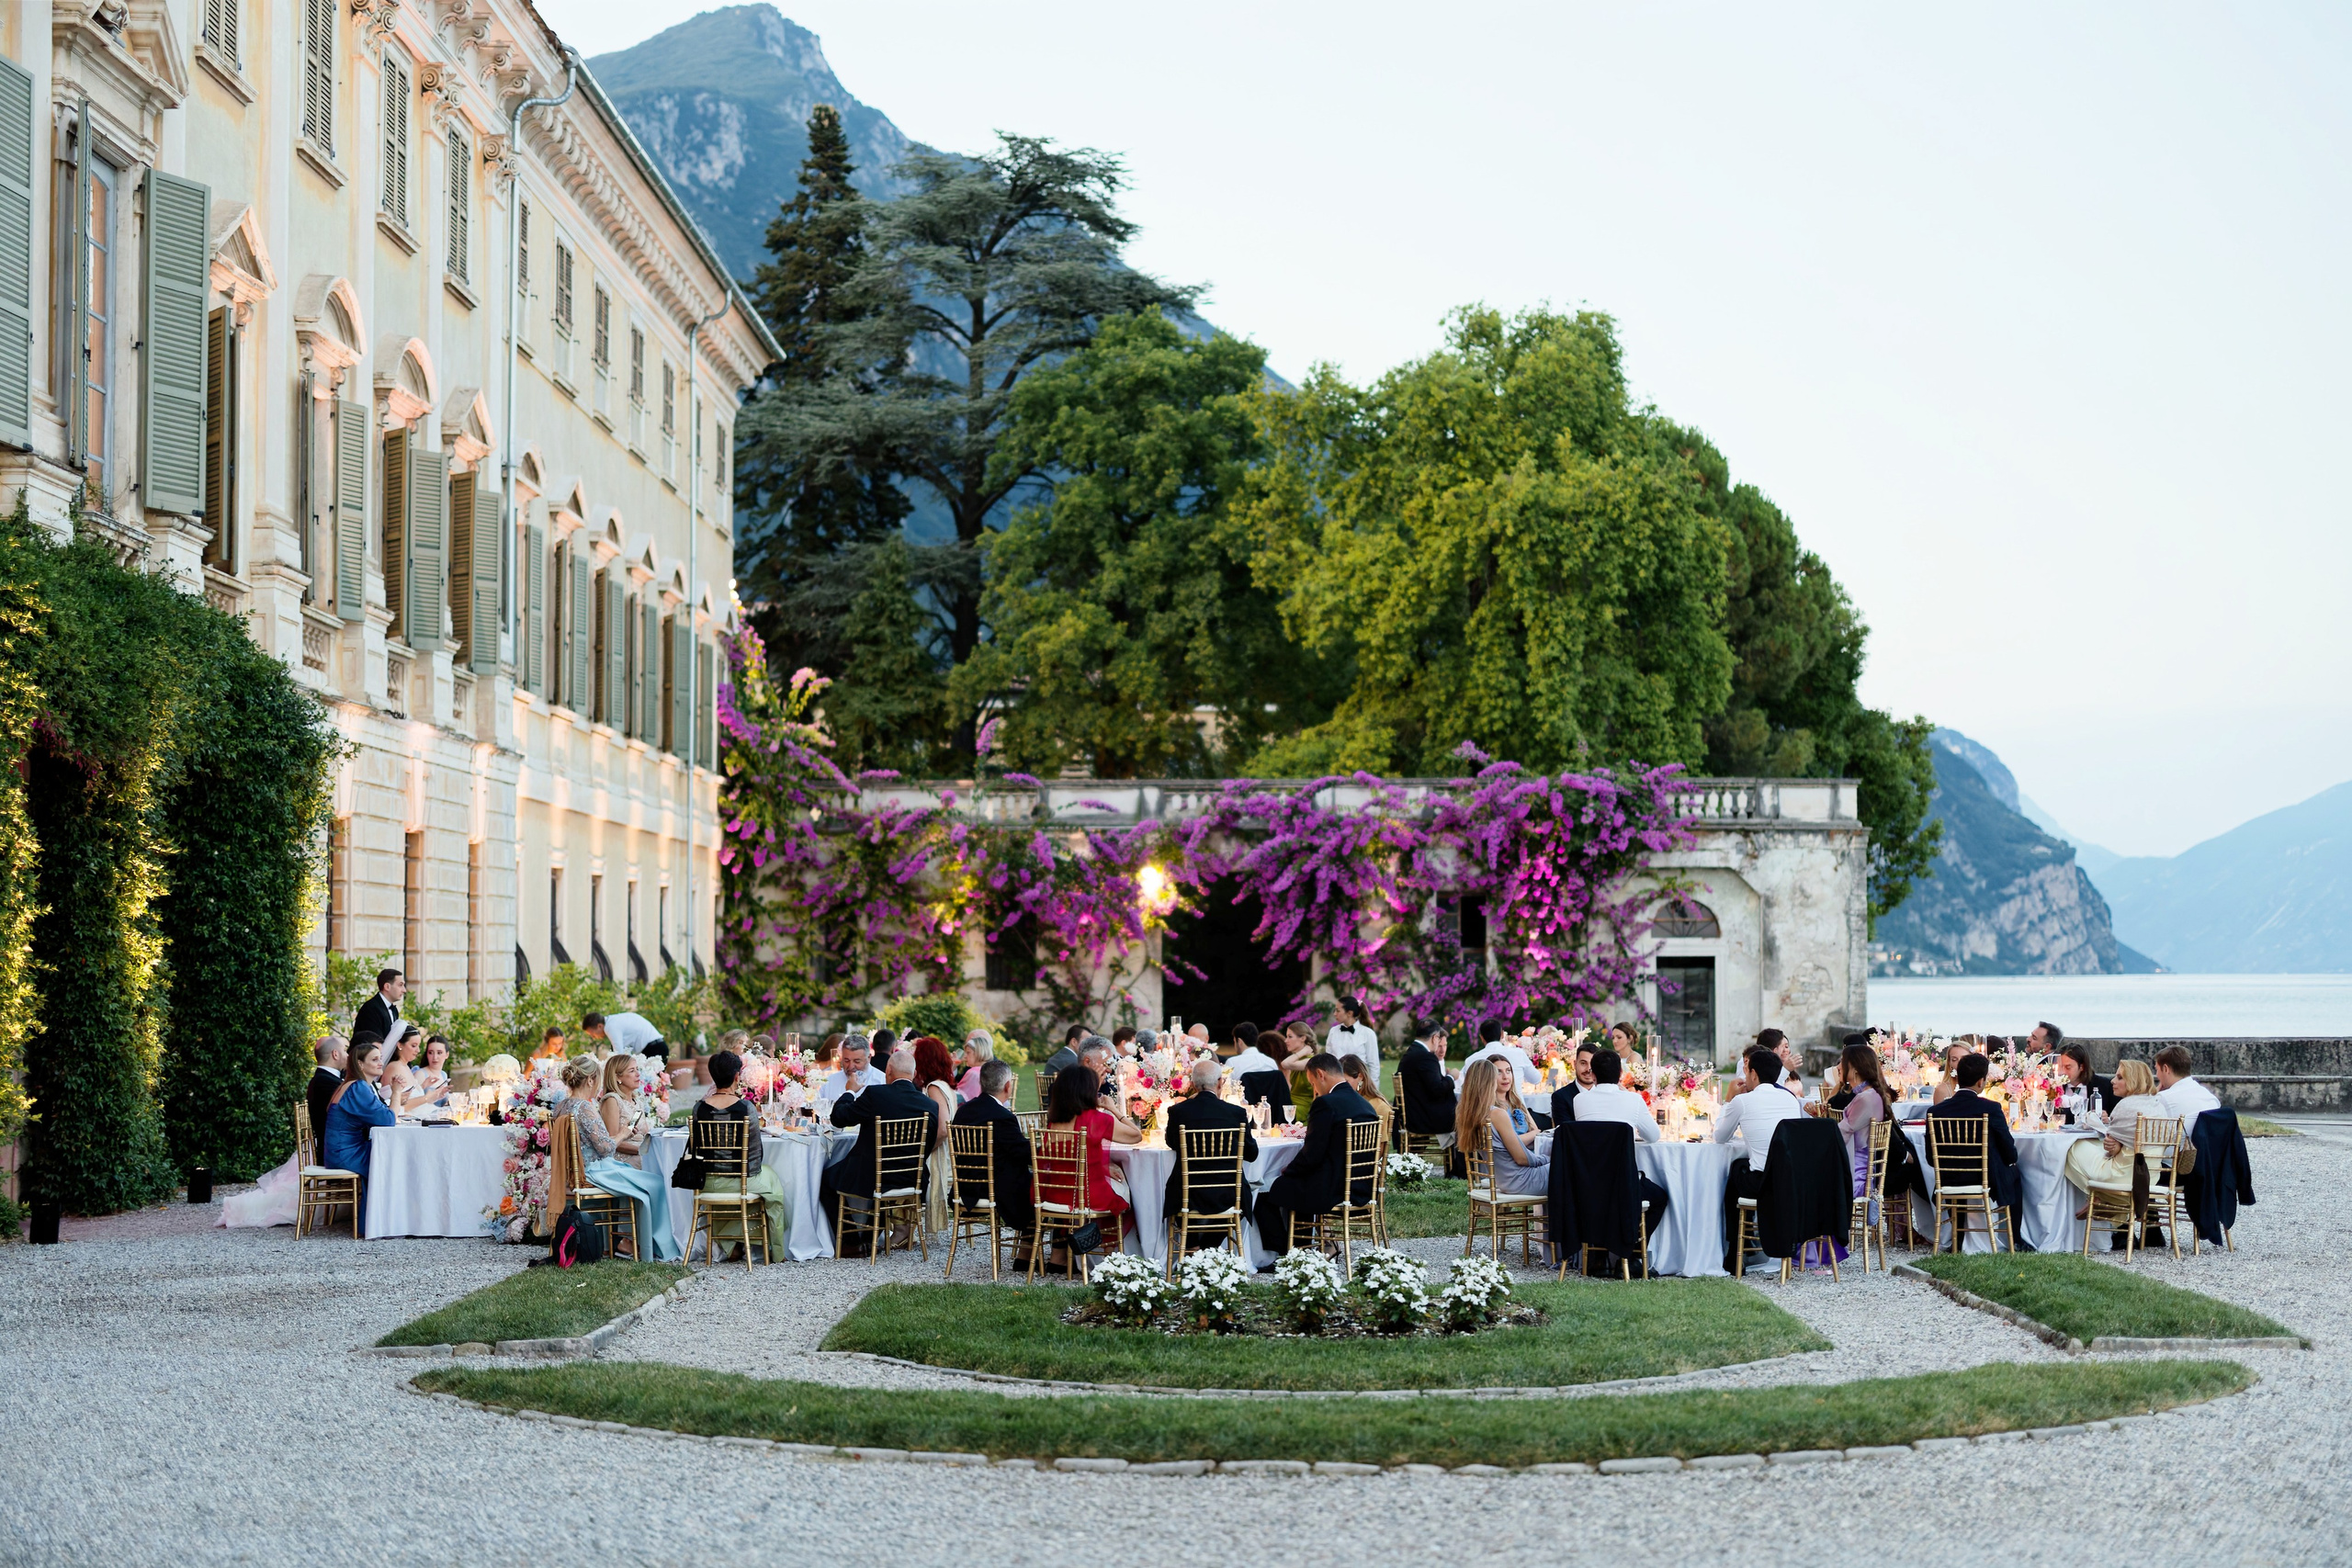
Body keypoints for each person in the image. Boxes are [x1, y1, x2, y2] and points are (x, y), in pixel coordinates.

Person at [1255, 1054, 1380, 1261]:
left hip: (1331, 1188)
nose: (1314, 1089)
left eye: (1313, 1083)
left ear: (1320, 1075)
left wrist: (1288, 1170)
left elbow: (1312, 1155)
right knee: (1293, 1184)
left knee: (1263, 1189)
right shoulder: (1364, 1104)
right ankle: (1302, 1247)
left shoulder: (1326, 1104)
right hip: (1361, 1185)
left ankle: (1284, 1252)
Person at [557, 1056, 683, 1260]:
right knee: (656, 1183)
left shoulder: (561, 1106)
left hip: (579, 1170)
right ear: (590, 1081)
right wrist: (624, 1133)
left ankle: (636, 1240)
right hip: (595, 1171)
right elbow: (606, 1149)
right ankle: (654, 1247)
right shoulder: (585, 1108)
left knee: (648, 1179)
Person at [820, 1048, 942, 1255]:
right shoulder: (929, 1105)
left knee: (825, 1180)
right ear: (912, 1074)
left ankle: (851, 1242)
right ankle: (869, 1239)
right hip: (913, 1177)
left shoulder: (875, 1095)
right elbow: (927, 1145)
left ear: (889, 1071)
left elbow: (838, 1118)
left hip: (872, 1175)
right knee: (883, 1183)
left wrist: (849, 1091)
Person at [2063, 1057, 2174, 1249]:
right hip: (2149, 1177)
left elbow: (2109, 1145)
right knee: (2093, 1148)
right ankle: (2106, 1203)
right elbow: (2120, 1143)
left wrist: (2093, 1120)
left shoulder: (2126, 1106)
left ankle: (2100, 1197)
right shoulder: (2157, 1104)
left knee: (2070, 1148)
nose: (2113, 1081)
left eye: (2119, 1077)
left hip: (2122, 1177)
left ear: (2133, 1081)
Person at [1926, 1052, 2028, 1247]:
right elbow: (2009, 1152)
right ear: (1981, 1082)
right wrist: (2010, 1160)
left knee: (1962, 1170)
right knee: (2014, 1172)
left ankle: (1958, 1239)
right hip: (1985, 1177)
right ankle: (2016, 1240)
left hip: (1949, 1177)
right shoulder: (1991, 1108)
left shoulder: (1936, 1111)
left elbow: (1931, 1158)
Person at [1715, 1044, 1805, 1265]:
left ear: (1753, 1074)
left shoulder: (1742, 1101)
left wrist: (1728, 1099)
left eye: (1747, 1070)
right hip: (1790, 1180)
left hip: (1762, 1183)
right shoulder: (1790, 1100)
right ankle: (1745, 1248)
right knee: (1742, 1165)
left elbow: (1720, 1137)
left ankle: (1734, 1250)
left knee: (1736, 1169)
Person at [1568, 1048, 1670, 1240]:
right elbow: (1654, 1135)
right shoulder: (1633, 1100)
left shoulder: (1579, 1100)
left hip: (1585, 1182)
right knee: (1659, 1197)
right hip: (1623, 1184)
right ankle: (1632, 1253)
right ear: (1621, 1074)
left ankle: (1598, 1256)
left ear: (1593, 1073)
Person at [693, 1051, 787, 1259]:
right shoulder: (746, 1107)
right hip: (742, 1181)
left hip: (706, 1182)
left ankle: (729, 1245)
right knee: (775, 1192)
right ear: (737, 1076)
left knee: (723, 1201)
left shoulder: (698, 1108)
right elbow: (755, 1153)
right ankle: (778, 1252)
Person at [1037, 1066, 1135, 1266]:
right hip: (1086, 1195)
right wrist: (1113, 1109)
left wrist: (1103, 1167)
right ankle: (1109, 1259)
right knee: (1125, 1196)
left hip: (1055, 1193)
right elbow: (1135, 1135)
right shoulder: (1097, 1119)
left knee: (1106, 1187)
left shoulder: (1053, 1122)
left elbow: (1070, 1160)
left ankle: (1061, 1257)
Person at [1161, 1057, 1257, 1245]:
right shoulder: (1236, 1113)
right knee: (1244, 1198)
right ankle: (1208, 1247)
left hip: (1187, 1193)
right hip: (1228, 1192)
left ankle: (1192, 1246)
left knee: (1177, 1193)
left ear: (1192, 1085)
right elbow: (1252, 1154)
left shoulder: (1178, 1111)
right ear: (1220, 1083)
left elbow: (1172, 1143)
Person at [950, 1059, 1036, 1250]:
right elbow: (1022, 1152)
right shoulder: (1002, 1116)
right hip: (993, 1187)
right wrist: (1045, 1149)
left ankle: (1025, 1254)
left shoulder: (963, 1112)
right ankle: (1026, 1253)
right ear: (1008, 1086)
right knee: (1039, 1187)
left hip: (965, 1186)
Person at [322, 1039, 395, 1232]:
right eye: (374, 1059)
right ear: (360, 1064)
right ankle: (380, 1223)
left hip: (342, 1150)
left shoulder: (353, 1084)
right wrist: (396, 1093)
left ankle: (385, 1219)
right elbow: (387, 1120)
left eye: (380, 1058)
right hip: (344, 1153)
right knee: (389, 1158)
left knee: (388, 1155)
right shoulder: (358, 1088)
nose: (381, 1063)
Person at [1455, 1055, 1547, 1202]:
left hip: (1505, 1180)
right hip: (1521, 1179)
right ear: (1488, 1082)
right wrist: (1548, 1158)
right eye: (1497, 1074)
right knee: (1570, 1166)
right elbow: (1522, 1158)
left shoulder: (1470, 1113)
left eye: (1508, 1071)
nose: (1503, 1078)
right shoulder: (1497, 1113)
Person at [1827, 1042, 1896, 1197]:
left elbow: (1841, 1134)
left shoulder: (1866, 1098)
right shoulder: (1872, 1094)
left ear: (1856, 1068)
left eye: (1842, 1063)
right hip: (1859, 1167)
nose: (1838, 1067)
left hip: (1856, 1175)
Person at [910, 1036, 961, 1235]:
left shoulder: (934, 1088)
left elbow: (943, 1128)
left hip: (941, 1155)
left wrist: (923, 1151)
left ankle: (901, 1227)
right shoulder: (944, 1085)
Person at [1395, 1025, 1458, 1145]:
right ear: (1434, 1038)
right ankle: (1459, 1164)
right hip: (1422, 1118)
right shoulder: (1426, 1056)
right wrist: (1452, 1077)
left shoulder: (1412, 1052)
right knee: (1465, 1118)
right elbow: (1437, 1089)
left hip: (1412, 1113)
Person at [1464, 1019, 1544, 1105]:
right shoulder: (1518, 1053)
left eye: (1508, 1071)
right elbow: (1536, 1079)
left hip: (1484, 1111)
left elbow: (1465, 1087)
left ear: (1481, 1037)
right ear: (1502, 1034)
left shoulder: (1471, 1060)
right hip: (1516, 1110)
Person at [1226, 1023, 1289, 1113]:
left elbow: (1227, 1092)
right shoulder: (1270, 1062)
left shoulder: (1232, 1063)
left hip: (1244, 1114)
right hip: (1271, 1114)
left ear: (1239, 1041)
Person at [2153, 1045, 2222, 1126]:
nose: (2157, 1075)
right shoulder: (2210, 1098)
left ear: (2165, 1069)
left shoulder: (2163, 1098)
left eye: (2157, 1070)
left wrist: (2153, 1096)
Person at [2055, 1043, 2118, 1122]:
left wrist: (2107, 1119)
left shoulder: (2105, 1086)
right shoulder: (2054, 1086)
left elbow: (2119, 1118)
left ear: (2082, 1067)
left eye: (2068, 1067)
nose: (2062, 1072)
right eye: (2060, 1067)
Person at [1340, 1054, 1392, 1145]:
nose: (1341, 1086)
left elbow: (1379, 1150)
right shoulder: (1340, 1101)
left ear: (1360, 1077)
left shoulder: (1378, 1106)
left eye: (1346, 1082)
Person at [305, 1036, 347, 1149]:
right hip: (336, 1149)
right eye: (344, 1050)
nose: (347, 1055)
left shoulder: (324, 1079)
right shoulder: (324, 1082)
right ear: (335, 1054)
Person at [1548, 1038, 1599, 1127]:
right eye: (1583, 1063)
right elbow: (1564, 1131)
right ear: (1575, 1064)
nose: (1588, 1069)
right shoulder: (1561, 1096)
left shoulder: (1606, 1094)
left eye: (1593, 1064)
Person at [583, 1010, 664, 1062]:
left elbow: (619, 1055)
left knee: (654, 1086)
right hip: (656, 1046)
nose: (594, 1037)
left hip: (655, 1049)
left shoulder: (611, 1026)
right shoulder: (613, 1021)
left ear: (599, 1026)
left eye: (592, 1034)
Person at [353, 968, 404, 1049]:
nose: (404, 990)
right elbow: (374, 1044)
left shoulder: (394, 1010)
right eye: (400, 985)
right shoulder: (370, 1009)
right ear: (387, 986)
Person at [820, 1036, 886, 1099]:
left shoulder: (882, 1082)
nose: (851, 1066)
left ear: (869, 1058)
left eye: (857, 1061)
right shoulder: (829, 1083)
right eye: (846, 1061)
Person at [1325, 997, 1380, 1066]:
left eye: (1338, 1011)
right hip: (1337, 1076)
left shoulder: (1368, 1033)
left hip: (1358, 1076)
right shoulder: (1333, 1031)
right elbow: (1329, 1058)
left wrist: (1373, 1078)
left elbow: (1373, 1063)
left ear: (1349, 1013)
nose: (1335, 1014)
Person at [412, 1036, 454, 1107]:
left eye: (439, 1053)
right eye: (431, 1053)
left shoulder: (443, 1074)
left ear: (447, 1055)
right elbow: (412, 1104)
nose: (435, 1057)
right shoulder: (420, 1074)